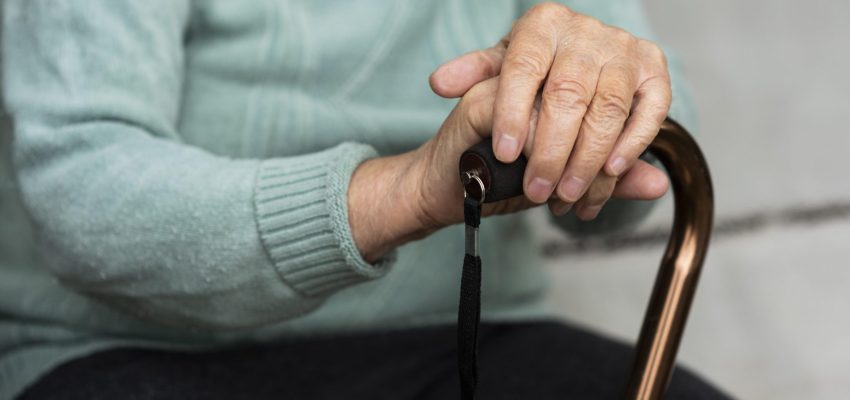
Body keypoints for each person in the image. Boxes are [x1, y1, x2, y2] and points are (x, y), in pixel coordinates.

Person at [0, 1, 728, 398]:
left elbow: (651, 168)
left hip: (462, 339)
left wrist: (600, 104)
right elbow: (85, 194)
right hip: (129, 349)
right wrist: (409, 192)